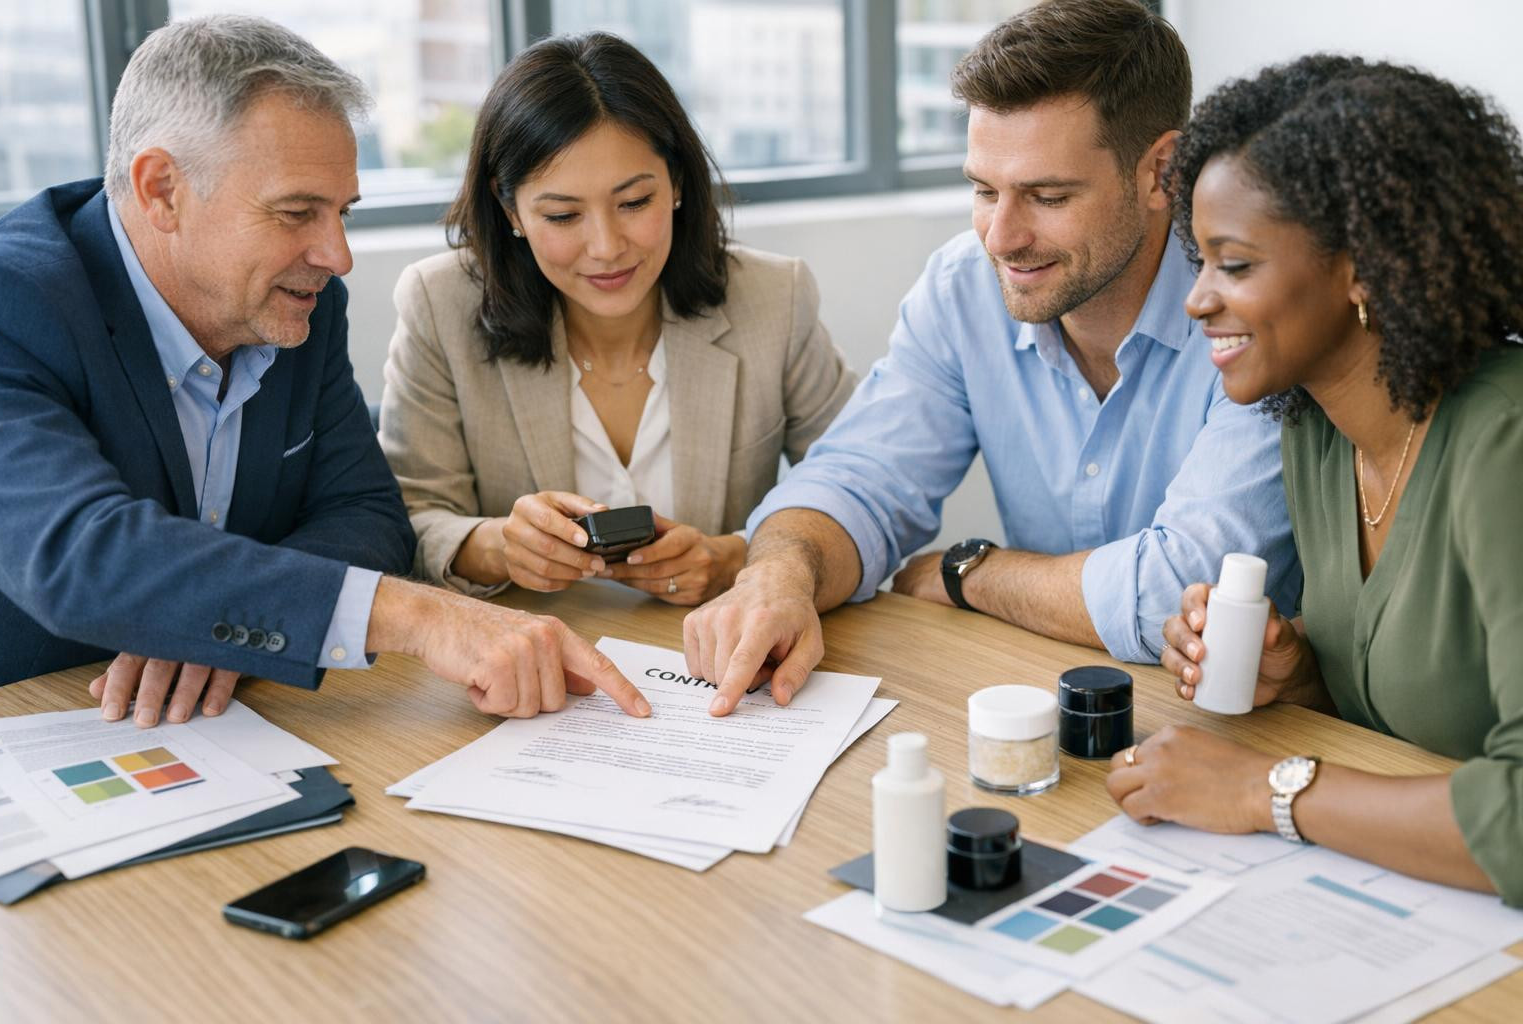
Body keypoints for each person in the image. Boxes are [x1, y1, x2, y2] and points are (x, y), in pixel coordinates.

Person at [0, 16, 650, 726]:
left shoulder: (302, 304)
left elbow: (367, 515)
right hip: (31, 737)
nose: (337, 256)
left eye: (341, 213)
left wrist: (211, 613)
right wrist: (423, 618)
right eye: (296, 212)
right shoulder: (9, 301)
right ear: (162, 191)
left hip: (221, 733)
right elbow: (78, 555)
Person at [682, 0, 1298, 716]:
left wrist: (972, 571)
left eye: (1047, 195)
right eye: (983, 190)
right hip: (1047, 700)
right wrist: (780, 577)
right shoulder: (962, 286)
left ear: (1161, 171)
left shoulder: (1247, 306)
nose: (1001, 237)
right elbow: (860, 479)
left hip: (1252, 727)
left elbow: (1186, 590)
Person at [1114, 55, 1523, 905]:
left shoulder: (1504, 445)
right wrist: (1293, 673)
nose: (1196, 300)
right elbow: (1412, 711)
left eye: (1234, 264)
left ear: (1363, 268)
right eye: (1200, 261)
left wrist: (1263, 791)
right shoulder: (1313, 428)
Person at [378, 32, 856, 607]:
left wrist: (736, 558)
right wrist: (497, 545)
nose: (606, 247)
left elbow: (857, 483)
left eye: (634, 203)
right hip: (534, 662)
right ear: (512, 212)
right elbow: (407, 518)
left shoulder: (774, 298)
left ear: (677, 183)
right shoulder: (439, 303)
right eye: (562, 215)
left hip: (714, 659)